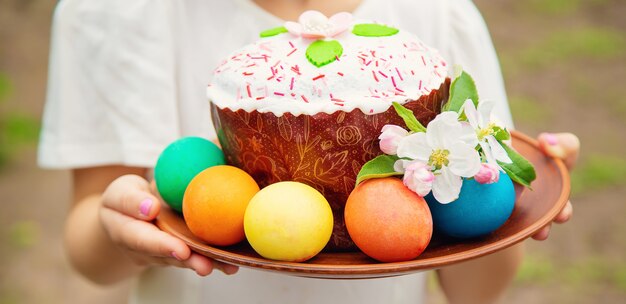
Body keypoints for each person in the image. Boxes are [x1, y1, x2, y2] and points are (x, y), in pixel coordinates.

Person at [39, 0, 579, 303]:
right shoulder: (115, 15)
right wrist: (123, 233)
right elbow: (91, 253)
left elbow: (474, 289)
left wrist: (508, 217)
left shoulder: (437, 16)